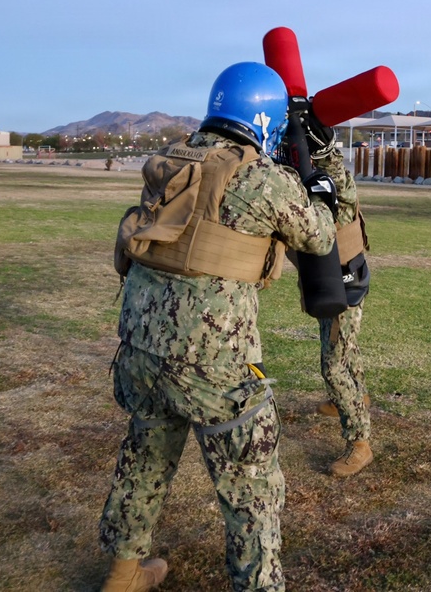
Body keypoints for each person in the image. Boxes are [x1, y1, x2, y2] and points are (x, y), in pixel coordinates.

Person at [99, 62, 340, 592]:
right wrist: (320, 185)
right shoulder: (264, 179)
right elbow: (320, 237)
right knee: (252, 489)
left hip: (139, 348)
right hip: (212, 364)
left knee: (145, 458)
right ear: (264, 119)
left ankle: (121, 576)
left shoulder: (170, 159)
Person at [285, 110, 374, 478]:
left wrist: (318, 149)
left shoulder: (334, 187)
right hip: (333, 279)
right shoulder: (316, 178)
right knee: (345, 350)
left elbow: (333, 183)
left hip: (345, 285)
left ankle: (360, 443)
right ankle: (354, 400)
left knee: (333, 365)